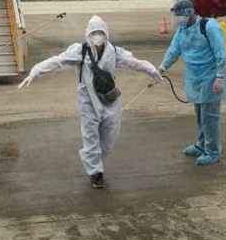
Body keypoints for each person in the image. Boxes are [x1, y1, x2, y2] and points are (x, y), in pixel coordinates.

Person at [18, 16, 163, 188]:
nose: (97, 36)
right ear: (88, 34)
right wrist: (36, 72)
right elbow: (58, 61)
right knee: (90, 137)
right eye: (94, 33)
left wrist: (152, 71)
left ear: (106, 34)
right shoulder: (81, 51)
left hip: (109, 100)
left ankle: (96, 162)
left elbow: (134, 63)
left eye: (100, 33)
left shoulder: (114, 52)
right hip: (88, 101)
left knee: (109, 138)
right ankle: (96, 172)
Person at [158, 0, 226, 166]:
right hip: (194, 77)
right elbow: (173, 51)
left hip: (210, 76)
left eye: (178, 15)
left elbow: (221, 53)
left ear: (188, 13)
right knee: (199, 113)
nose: (176, 18)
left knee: (209, 116)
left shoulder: (209, 27)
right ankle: (201, 144)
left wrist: (220, 77)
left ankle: (212, 151)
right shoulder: (182, 30)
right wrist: (161, 68)